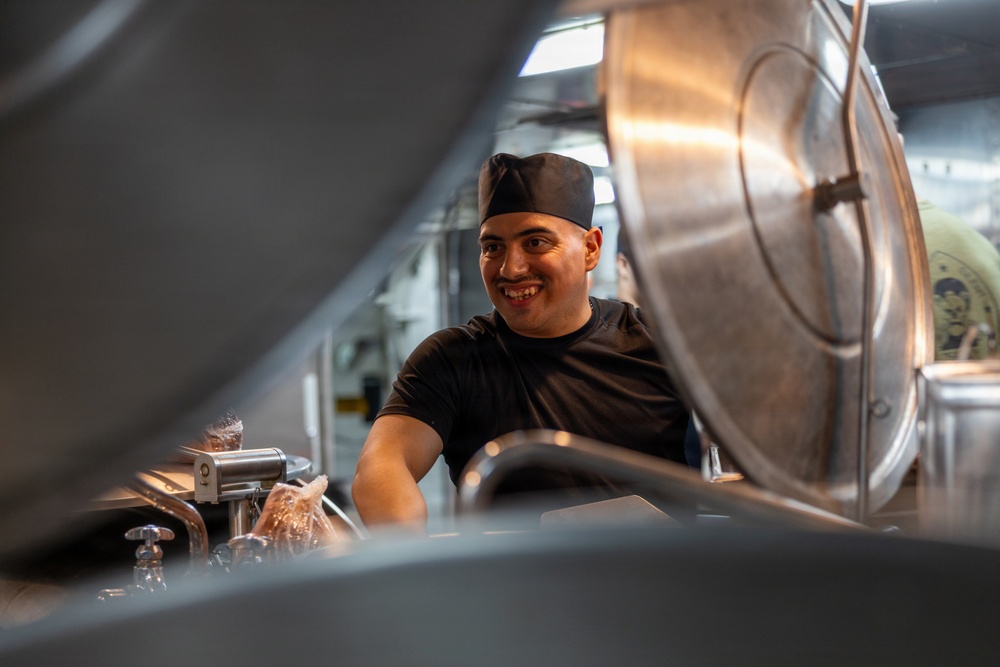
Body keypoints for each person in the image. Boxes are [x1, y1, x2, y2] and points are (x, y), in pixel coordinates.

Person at [352, 152, 690, 532]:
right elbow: (382, 467)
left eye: (536, 242)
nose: (511, 268)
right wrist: (409, 557)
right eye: (492, 247)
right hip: (513, 586)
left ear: (591, 249)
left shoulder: (662, 344)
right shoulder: (452, 360)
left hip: (662, 582)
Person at [920, 198, 1000, 360]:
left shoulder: (872, 246)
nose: (954, 316)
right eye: (949, 311)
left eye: (957, 310)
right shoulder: (983, 249)